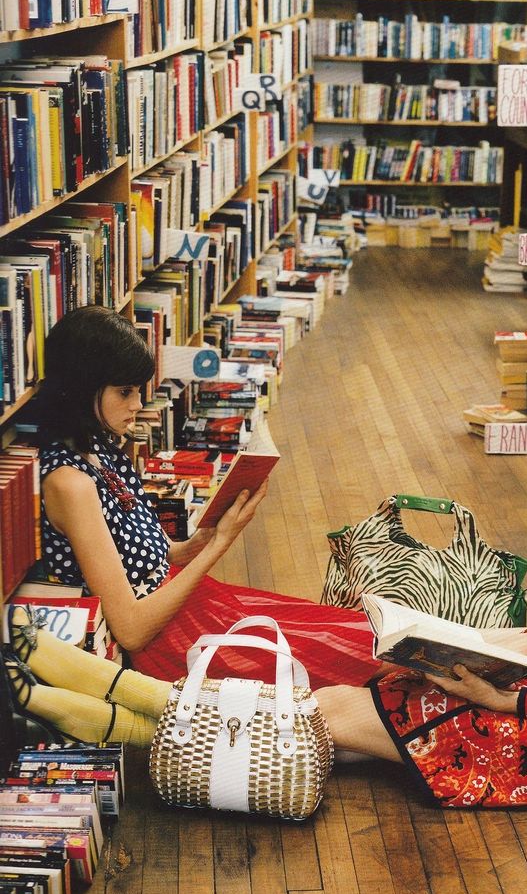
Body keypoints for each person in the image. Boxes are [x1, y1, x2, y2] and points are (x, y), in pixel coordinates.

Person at [7, 326, 527, 810]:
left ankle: (135, 710)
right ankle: (115, 703)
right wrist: (514, 647)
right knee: (357, 689)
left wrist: (514, 695)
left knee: (343, 701)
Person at [5, 305, 383, 745]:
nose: (137, 405)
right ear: (82, 389)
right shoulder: (69, 483)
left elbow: (154, 554)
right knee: (354, 657)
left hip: (195, 605)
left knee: (359, 633)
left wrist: (203, 536)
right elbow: (130, 628)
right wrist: (217, 547)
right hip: (168, 642)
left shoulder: (101, 447)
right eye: (124, 392)